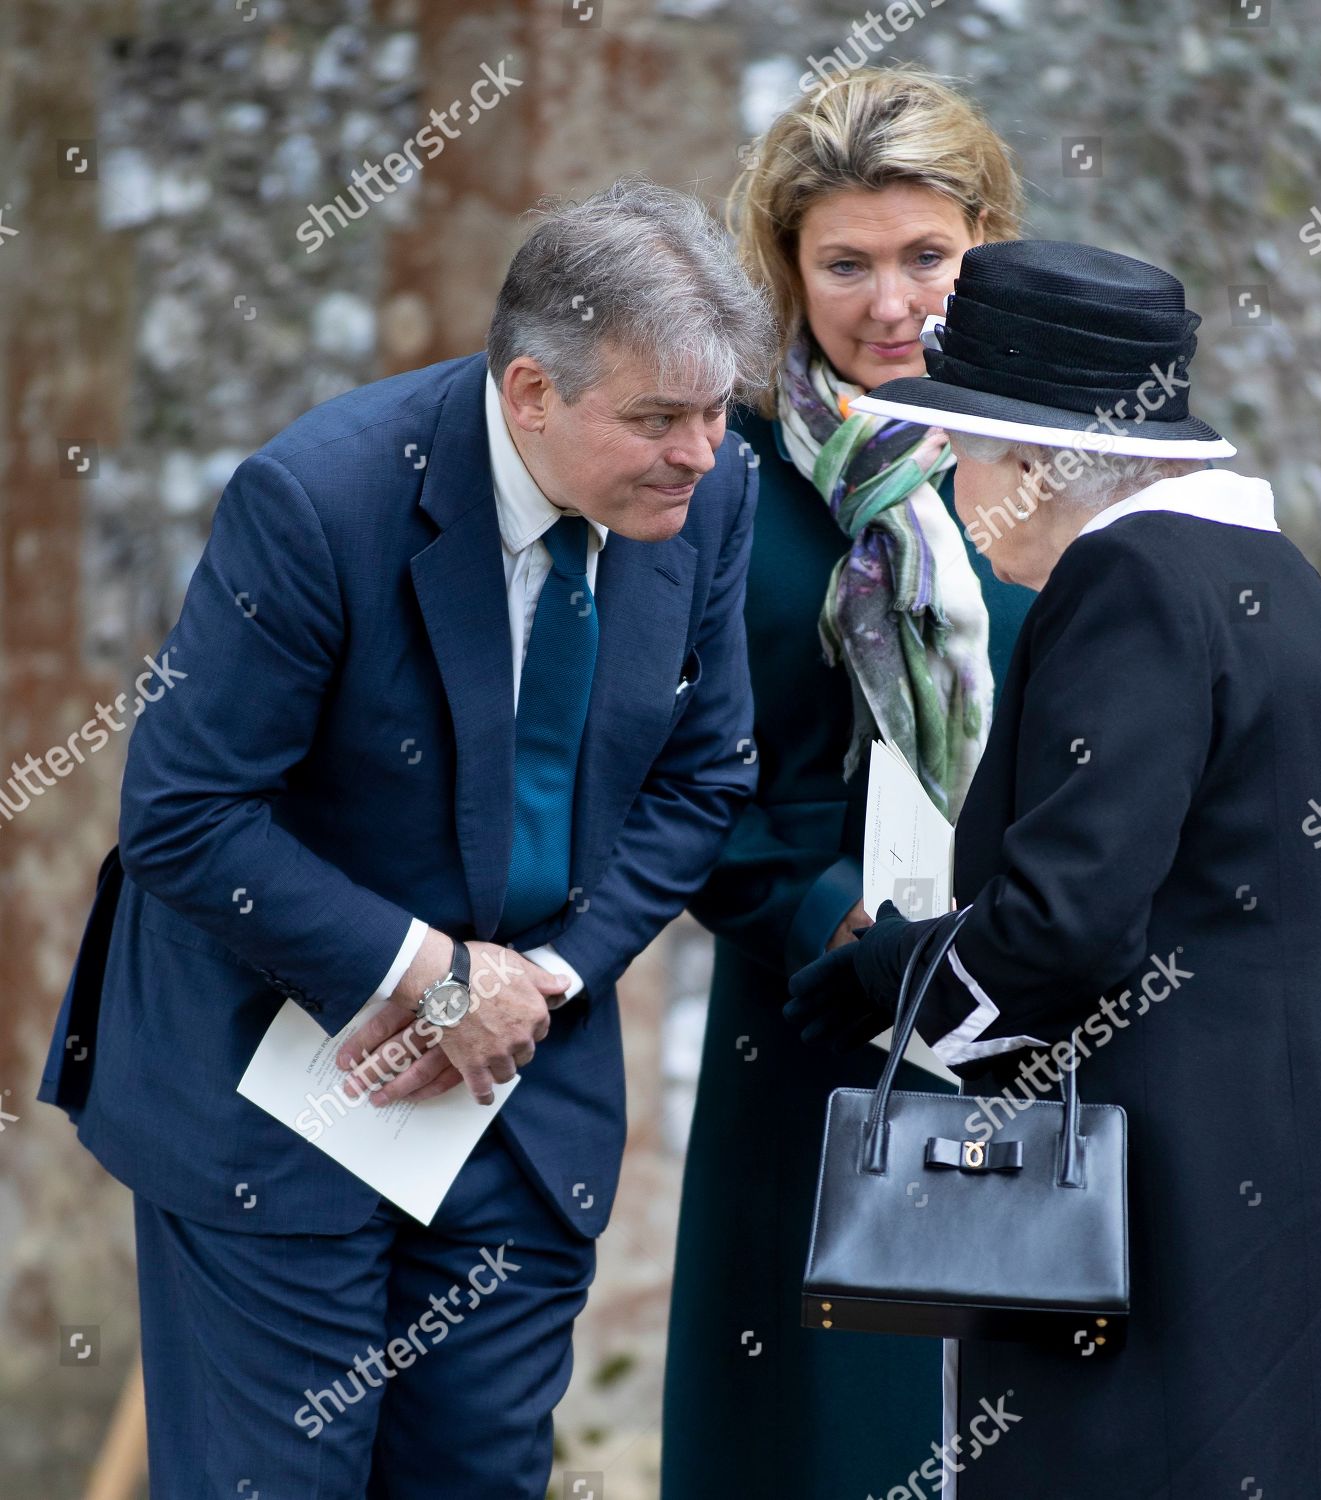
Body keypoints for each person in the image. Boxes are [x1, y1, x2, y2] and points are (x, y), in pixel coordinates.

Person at [37, 177, 775, 1500]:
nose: (698, 452)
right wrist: (430, 977)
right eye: (657, 419)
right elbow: (181, 814)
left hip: (517, 1089)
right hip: (268, 1080)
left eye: (716, 411)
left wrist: (539, 982)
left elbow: (701, 777)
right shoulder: (318, 501)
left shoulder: (708, 501)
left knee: (477, 1478)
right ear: (529, 392)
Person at [786, 238, 1321, 1498]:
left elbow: (1068, 922)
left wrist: (887, 975)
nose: (955, 488)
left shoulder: (1127, 580)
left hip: (1166, 1164)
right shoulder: (1275, 577)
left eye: (962, 451)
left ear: (1032, 461)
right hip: (1307, 1137)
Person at [662, 66, 1036, 1498]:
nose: (891, 302)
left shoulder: (1051, 454)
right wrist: (832, 927)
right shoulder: (719, 475)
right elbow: (674, 772)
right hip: (812, 1003)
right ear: (784, 268)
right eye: (845, 263)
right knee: (824, 1429)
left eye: (926, 257)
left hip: (1034, 984)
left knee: (1025, 1388)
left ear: (984, 242)